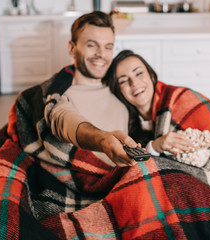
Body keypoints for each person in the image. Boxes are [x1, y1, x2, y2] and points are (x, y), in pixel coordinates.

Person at [41, 11, 138, 167]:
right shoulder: (61, 93)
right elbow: (63, 120)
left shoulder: (120, 87)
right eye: (92, 45)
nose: (101, 54)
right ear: (72, 48)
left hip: (124, 176)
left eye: (108, 47)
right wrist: (102, 139)